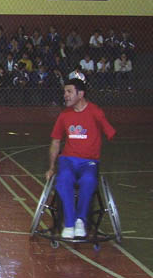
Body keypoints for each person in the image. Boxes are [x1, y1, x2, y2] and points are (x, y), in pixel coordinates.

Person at [46, 78, 116, 239]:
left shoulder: (95, 112)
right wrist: (51, 167)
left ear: (81, 93)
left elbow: (110, 132)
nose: (65, 95)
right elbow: (56, 142)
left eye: (69, 91)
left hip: (89, 162)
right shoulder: (64, 115)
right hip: (68, 160)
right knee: (64, 180)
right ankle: (69, 223)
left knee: (89, 181)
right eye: (64, 92)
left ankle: (80, 220)